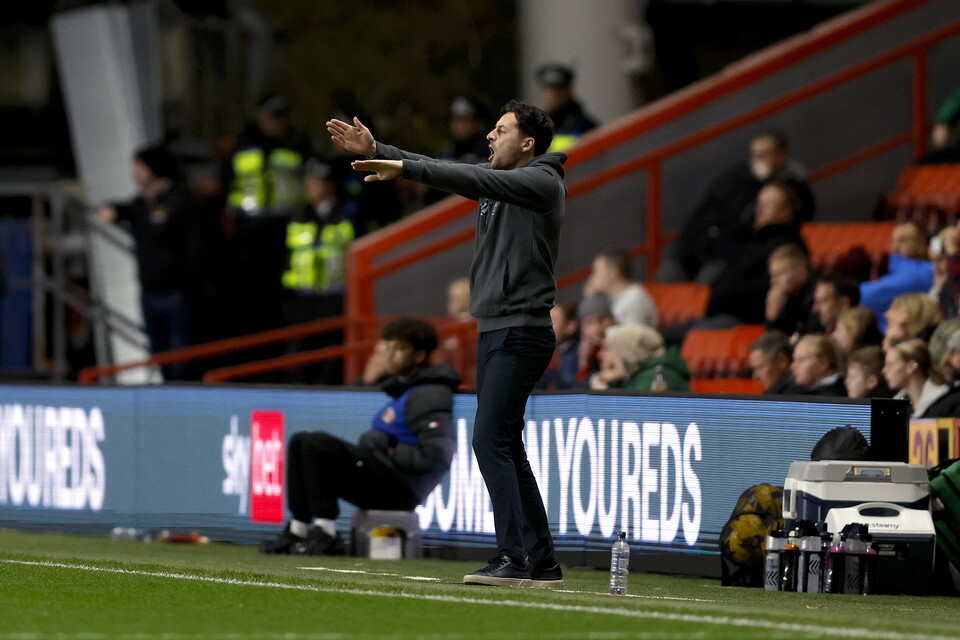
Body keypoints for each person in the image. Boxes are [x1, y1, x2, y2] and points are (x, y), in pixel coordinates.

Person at [327, 100, 565, 587]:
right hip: (498, 327)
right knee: (505, 445)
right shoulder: (502, 181)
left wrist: (404, 166)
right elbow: (455, 174)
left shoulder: (542, 182)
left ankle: (516, 558)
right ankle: (539, 560)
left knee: (489, 440)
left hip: (521, 330)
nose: (489, 138)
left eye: (500, 131)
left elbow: (466, 178)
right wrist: (380, 150)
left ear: (528, 143)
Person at [260, 318, 459, 555]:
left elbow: (437, 457)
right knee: (299, 441)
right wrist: (366, 382)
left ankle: (326, 531)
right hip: (385, 475)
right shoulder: (401, 387)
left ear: (419, 356)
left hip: (402, 489)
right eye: (389, 348)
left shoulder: (430, 393)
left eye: (400, 349)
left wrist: (390, 447)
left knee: (317, 444)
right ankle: (299, 528)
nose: (390, 355)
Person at [98, 144, 202, 380]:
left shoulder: (180, 200)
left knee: (181, 360)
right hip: (150, 291)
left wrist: (185, 279)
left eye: (139, 167)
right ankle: (166, 404)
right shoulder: (142, 202)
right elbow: (130, 211)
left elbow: (195, 248)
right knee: (160, 356)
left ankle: (182, 405)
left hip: (177, 293)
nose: (134, 172)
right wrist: (114, 210)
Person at [658, 132, 814, 283]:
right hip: (699, 248)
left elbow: (801, 214)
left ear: (781, 156)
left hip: (731, 256)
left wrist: (764, 182)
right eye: (755, 155)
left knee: (710, 279)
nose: (758, 161)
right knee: (667, 274)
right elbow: (705, 211)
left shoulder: (794, 186)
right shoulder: (736, 178)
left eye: (765, 154)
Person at [222, 93, 313, 339]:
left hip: (285, 228)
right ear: (261, 117)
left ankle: (277, 339)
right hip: (248, 231)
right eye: (272, 117)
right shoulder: (243, 144)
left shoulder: (297, 142)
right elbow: (227, 183)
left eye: (281, 117)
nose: (277, 123)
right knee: (249, 293)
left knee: (281, 292)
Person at [281, 158, 355, 384]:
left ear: (330, 185)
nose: (310, 186)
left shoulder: (348, 212)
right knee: (298, 357)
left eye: (316, 181)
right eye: (309, 181)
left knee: (331, 358)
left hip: (335, 297)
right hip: (302, 299)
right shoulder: (299, 214)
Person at [702, 182, 808, 325]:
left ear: (787, 211)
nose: (759, 210)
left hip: (746, 321)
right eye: (759, 204)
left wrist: (726, 297)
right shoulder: (753, 240)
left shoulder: (788, 247)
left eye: (768, 205)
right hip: (723, 315)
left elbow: (764, 290)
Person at [860, 222, 934, 332]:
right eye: (893, 240)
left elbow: (870, 294)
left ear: (922, 246)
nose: (895, 247)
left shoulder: (926, 271)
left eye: (903, 240)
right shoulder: (896, 270)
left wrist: (849, 292)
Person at [589, 323, 690, 392]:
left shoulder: (656, 377)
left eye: (611, 349)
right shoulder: (639, 374)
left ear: (627, 353)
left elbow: (635, 418)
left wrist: (603, 397)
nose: (599, 355)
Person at [883, 338, 960, 418]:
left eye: (890, 364)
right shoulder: (894, 410)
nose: (884, 370)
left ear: (911, 366)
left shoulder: (950, 403)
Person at [535, 63, 598, 153]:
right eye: (549, 89)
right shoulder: (537, 126)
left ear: (569, 90)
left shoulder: (585, 125)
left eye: (559, 89)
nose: (554, 94)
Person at [587, 248, 658, 327]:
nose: (592, 277)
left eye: (596, 271)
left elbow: (631, 337)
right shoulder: (607, 298)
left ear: (613, 272)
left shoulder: (634, 299)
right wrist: (592, 299)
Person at [764, 244, 819, 336]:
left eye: (779, 274)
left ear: (800, 271)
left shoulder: (819, 295)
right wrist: (772, 317)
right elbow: (774, 345)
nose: (773, 282)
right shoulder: (785, 299)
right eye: (772, 276)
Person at [536, 300, 580, 390]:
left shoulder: (578, 354)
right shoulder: (540, 353)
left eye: (552, 322)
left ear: (570, 325)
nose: (545, 327)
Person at [576, 293, 615, 383]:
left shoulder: (622, 347)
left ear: (613, 320)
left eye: (602, 319)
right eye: (589, 322)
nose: (597, 328)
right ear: (582, 328)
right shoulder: (583, 351)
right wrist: (584, 364)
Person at [747, 330, 797, 394]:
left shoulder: (796, 395)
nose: (755, 377)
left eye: (760, 367)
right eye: (754, 369)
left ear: (781, 360)